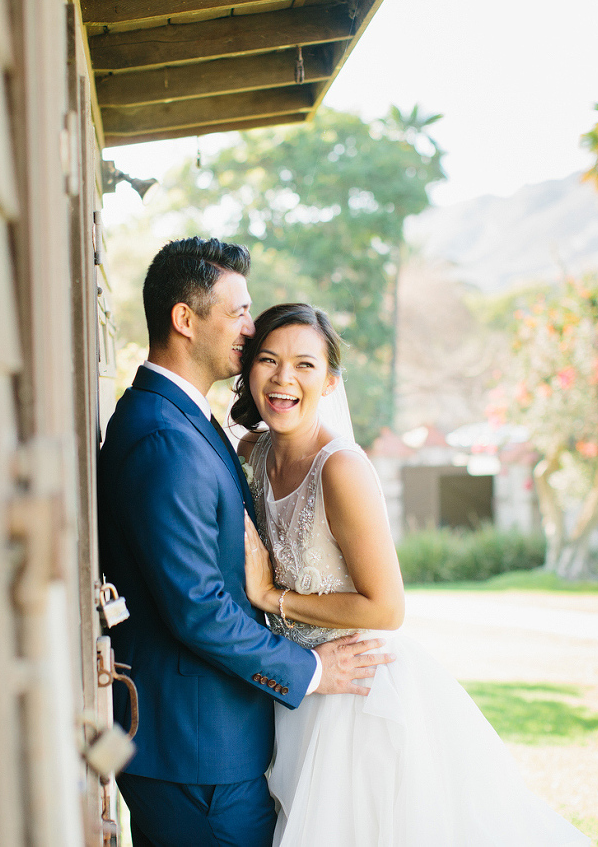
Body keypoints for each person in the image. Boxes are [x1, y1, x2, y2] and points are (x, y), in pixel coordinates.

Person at [232, 303, 591, 847]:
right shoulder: (252, 453)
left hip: (358, 693)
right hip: (298, 686)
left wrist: (271, 597)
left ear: (329, 382)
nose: (284, 378)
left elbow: (387, 608)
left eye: (305, 365)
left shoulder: (342, 468)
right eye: (268, 360)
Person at [98, 239, 393, 847]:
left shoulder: (196, 423)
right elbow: (197, 608)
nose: (250, 329)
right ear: (185, 320)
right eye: (237, 312)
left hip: (222, 736)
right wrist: (309, 669)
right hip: (194, 750)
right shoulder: (161, 438)